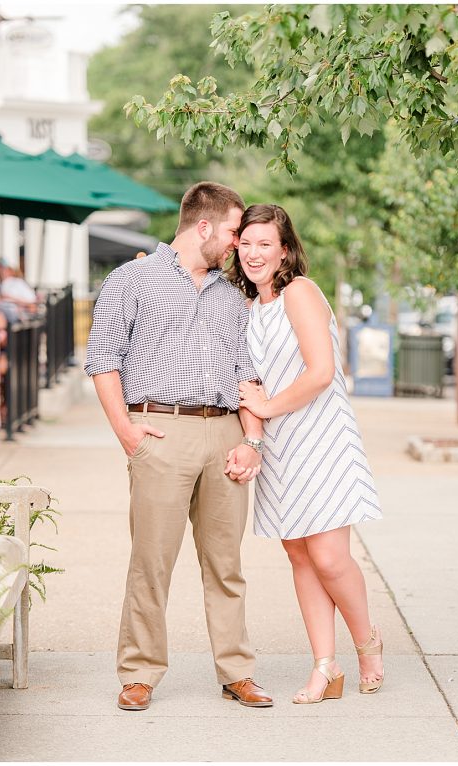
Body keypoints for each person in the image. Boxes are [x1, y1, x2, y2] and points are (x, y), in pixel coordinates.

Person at [85, 181, 273, 712]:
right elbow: (103, 358)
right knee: (152, 560)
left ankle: (237, 672)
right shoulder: (131, 280)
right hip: (160, 431)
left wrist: (251, 441)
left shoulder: (233, 297)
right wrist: (126, 430)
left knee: (226, 564)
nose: (239, 244)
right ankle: (139, 673)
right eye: (236, 232)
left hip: (226, 437)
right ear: (205, 227)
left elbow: (247, 373)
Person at [227, 203, 384, 703]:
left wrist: (268, 406)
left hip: (321, 436)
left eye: (265, 244)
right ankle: (325, 666)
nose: (254, 253)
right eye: (246, 243)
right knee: (298, 554)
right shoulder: (245, 307)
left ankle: (367, 643)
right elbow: (244, 384)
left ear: (286, 250)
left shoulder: (300, 293)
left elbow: (320, 372)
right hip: (278, 445)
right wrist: (255, 434)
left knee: (330, 557)